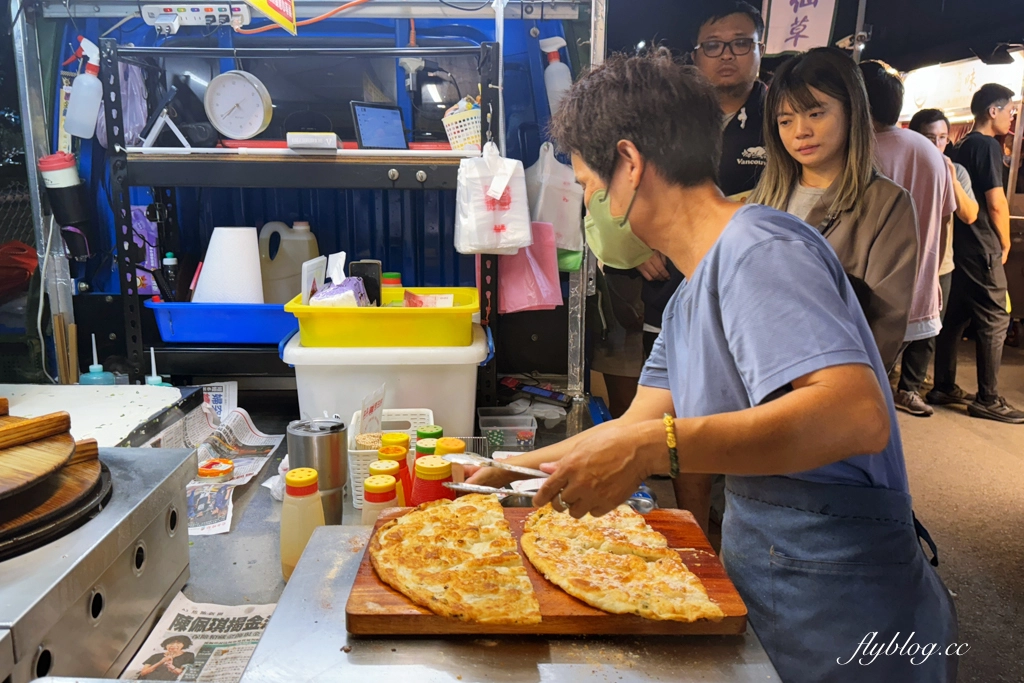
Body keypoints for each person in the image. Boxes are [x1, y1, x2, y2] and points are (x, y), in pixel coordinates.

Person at [468, 51, 957, 683]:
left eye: (590, 187)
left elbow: (856, 414)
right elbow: (640, 420)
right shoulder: (691, 294)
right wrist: (505, 471)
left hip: (849, 606)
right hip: (776, 575)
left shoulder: (760, 253)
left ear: (632, 164)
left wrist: (654, 449)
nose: (591, 210)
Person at [748, 47, 918, 372]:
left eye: (815, 114)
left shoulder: (886, 203)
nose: (801, 131)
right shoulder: (764, 199)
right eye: (786, 120)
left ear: (852, 111)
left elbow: (886, 322)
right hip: (756, 377)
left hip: (830, 386)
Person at [640, 0, 768, 359]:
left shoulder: (784, 120)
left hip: (750, 296)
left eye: (741, 43)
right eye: (713, 45)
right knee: (666, 401)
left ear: (761, 48)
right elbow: (627, 186)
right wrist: (631, 245)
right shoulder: (666, 117)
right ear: (696, 55)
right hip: (670, 289)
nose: (727, 55)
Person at [858, 62, 956, 417]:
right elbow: (944, 221)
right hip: (919, 289)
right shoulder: (933, 154)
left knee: (861, 392)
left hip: (871, 296)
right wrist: (933, 275)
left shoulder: (861, 152)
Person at [928, 83, 1024, 423]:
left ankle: (944, 384)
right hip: (982, 243)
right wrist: (1005, 241)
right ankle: (989, 398)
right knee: (996, 319)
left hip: (960, 245)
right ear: (992, 111)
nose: (1012, 117)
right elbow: (996, 202)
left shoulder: (963, 144)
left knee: (955, 317)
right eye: (1009, 110)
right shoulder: (987, 146)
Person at [900, 108, 980, 413]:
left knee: (928, 326)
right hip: (902, 257)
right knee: (892, 322)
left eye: (943, 138)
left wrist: (949, 175)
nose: (937, 145)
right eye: (929, 138)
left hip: (940, 262)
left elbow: (969, 214)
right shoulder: (907, 164)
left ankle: (910, 388)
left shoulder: (956, 171)